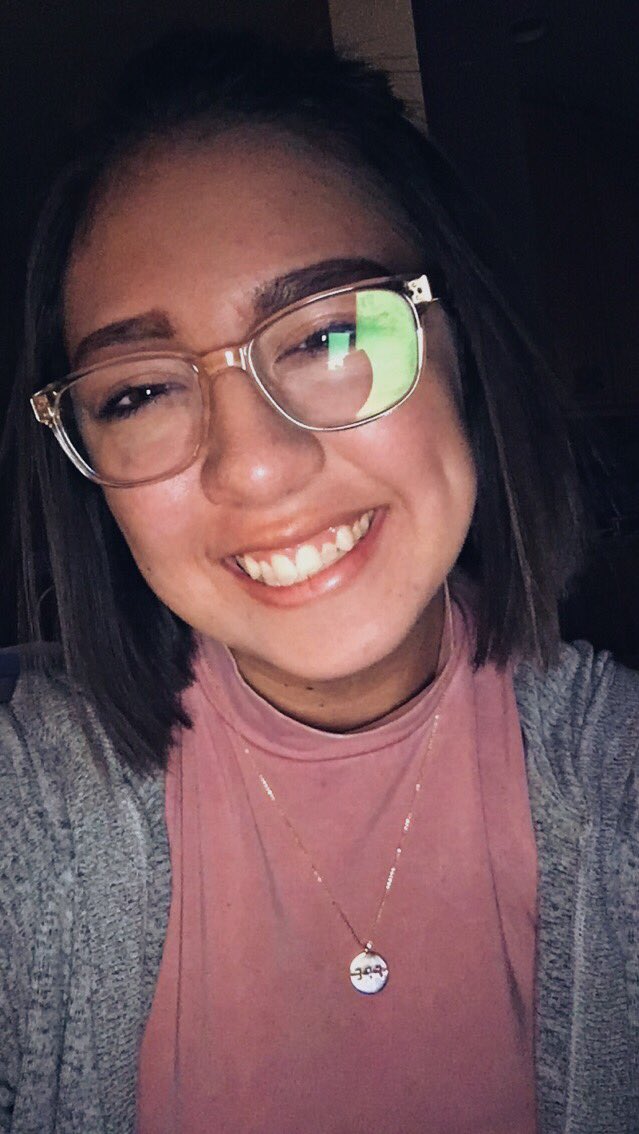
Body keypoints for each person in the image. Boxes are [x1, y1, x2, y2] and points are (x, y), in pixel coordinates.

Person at [1, 29, 638, 1134]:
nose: (254, 466)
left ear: (463, 345)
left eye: (330, 334)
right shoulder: (35, 804)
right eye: (139, 393)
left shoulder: (616, 781)